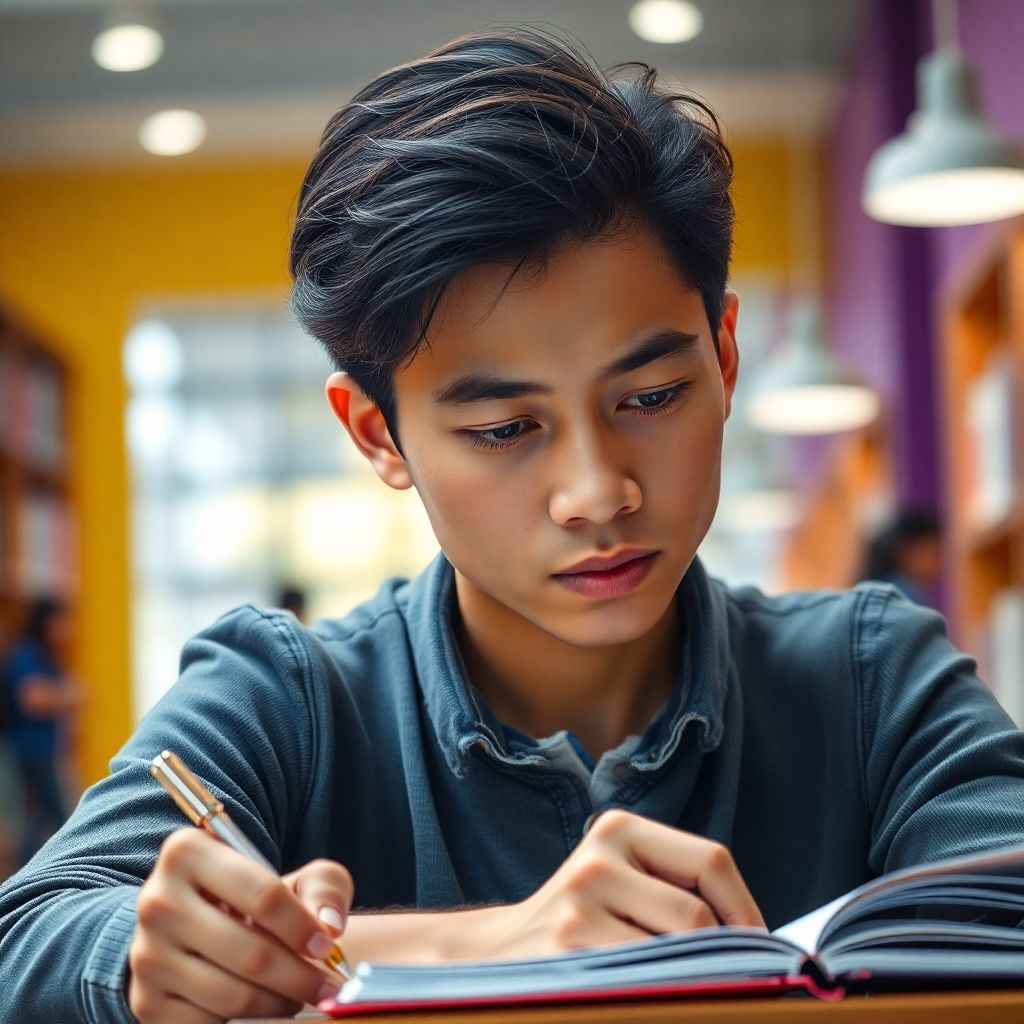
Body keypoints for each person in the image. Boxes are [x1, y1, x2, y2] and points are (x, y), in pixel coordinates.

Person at [2, 28, 1023, 1024]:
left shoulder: (868, 679)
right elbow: (30, 937)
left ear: (724, 356)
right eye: (504, 428)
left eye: (653, 395)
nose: (597, 491)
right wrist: (486, 941)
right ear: (378, 435)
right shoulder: (289, 699)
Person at [2, 597, 84, 869]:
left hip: (44, 748)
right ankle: (45, 874)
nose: (67, 628)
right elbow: (32, 698)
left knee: (39, 817)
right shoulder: (28, 655)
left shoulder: (47, 657)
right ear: (46, 622)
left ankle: (23, 874)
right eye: (61, 621)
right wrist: (70, 696)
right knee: (60, 815)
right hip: (31, 748)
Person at [860, 507, 944, 608]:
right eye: (935, 552)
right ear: (907, 551)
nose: (940, 562)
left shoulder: (877, 590)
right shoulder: (901, 597)